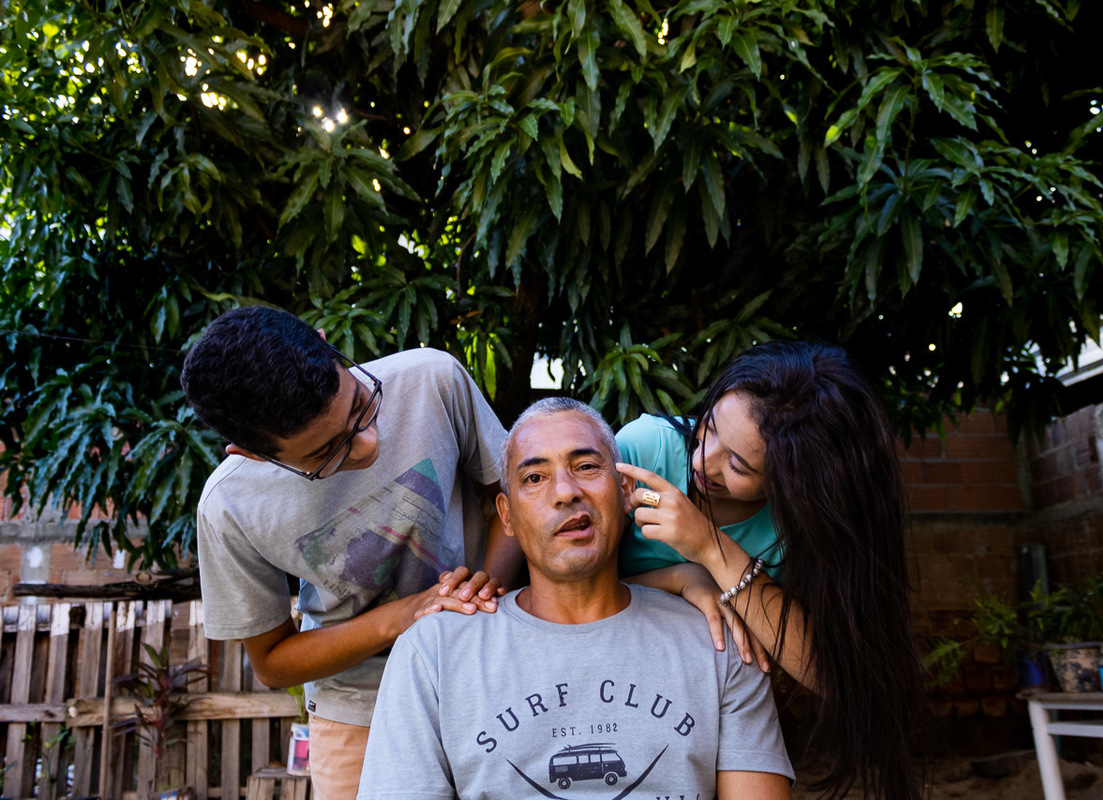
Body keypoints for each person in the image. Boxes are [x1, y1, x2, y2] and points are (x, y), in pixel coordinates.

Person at [357, 397, 794, 799]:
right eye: (534, 477)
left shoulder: (720, 643)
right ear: (506, 516)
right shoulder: (433, 653)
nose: (565, 491)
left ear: (626, 493)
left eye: (586, 466)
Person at [180, 306, 523, 800]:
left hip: (486, 672)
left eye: (362, 406)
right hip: (359, 709)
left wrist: (482, 593)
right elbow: (273, 662)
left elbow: (512, 501)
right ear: (252, 453)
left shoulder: (433, 379)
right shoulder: (228, 507)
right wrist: (405, 615)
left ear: (325, 342)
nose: (367, 446)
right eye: (327, 454)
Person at [615, 340, 926, 800]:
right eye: (711, 428)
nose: (704, 461)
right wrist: (680, 578)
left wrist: (710, 548)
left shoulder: (796, 526)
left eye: (738, 464)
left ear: (791, 480)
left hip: (702, 716)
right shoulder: (647, 451)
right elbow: (555, 588)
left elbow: (830, 672)